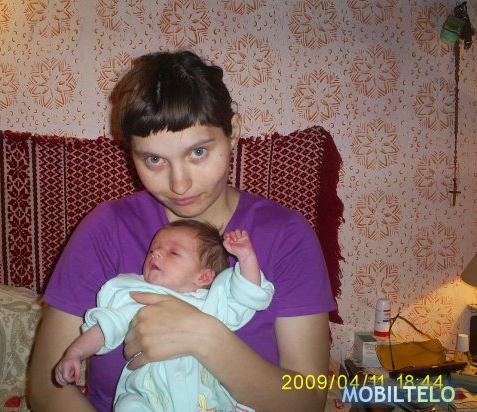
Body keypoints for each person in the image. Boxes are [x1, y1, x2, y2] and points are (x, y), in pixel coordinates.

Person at [29, 49, 336, 412]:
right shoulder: (106, 228)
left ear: (233, 133)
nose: (179, 184)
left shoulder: (287, 236)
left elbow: (309, 399)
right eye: (154, 159)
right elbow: (46, 389)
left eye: (198, 152)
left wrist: (204, 337)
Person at [54, 220, 274, 411]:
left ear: (204, 277)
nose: (156, 254)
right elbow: (105, 327)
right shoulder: (139, 296)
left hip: (203, 399)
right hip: (149, 394)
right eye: (152, 251)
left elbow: (249, 296)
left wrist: (246, 257)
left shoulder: (212, 304)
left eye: (173, 253)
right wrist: (75, 353)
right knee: (128, 405)